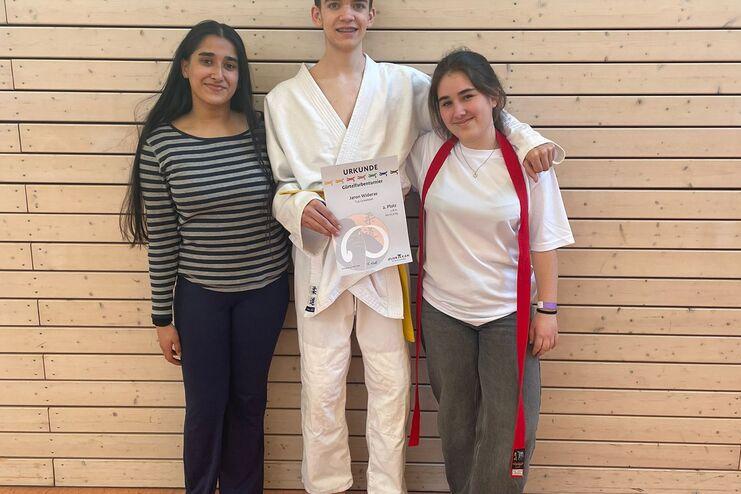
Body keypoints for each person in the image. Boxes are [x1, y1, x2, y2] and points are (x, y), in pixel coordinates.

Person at [264, 2, 561, 493]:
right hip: (320, 253)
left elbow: (475, 114)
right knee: (321, 379)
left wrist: (526, 138)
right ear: (316, 14)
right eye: (334, 4)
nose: (346, 15)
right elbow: (280, 185)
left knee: (391, 380)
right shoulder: (283, 99)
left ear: (372, 14)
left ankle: (386, 487)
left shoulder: (404, 86)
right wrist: (297, 207)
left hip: (382, 254)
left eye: (357, 4)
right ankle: (325, 485)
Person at [120, 20, 290, 494]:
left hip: (265, 291)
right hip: (200, 298)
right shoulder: (161, 145)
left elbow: (293, 197)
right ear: (185, 68)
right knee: (205, 406)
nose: (219, 73)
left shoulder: (264, 131)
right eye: (207, 61)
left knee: (249, 403)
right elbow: (163, 237)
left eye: (230, 65)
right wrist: (162, 318)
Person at [405, 49, 574, 493]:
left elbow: (544, 241)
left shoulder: (529, 162)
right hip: (443, 313)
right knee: (456, 423)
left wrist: (548, 310)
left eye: (468, 96)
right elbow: (376, 187)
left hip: (508, 313)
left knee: (511, 422)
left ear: (493, 97)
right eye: (446, 102)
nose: (458, 111)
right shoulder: (427, 151)